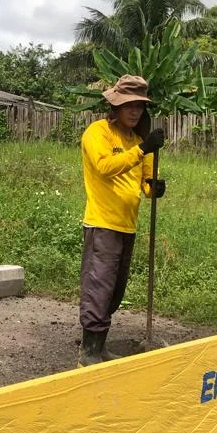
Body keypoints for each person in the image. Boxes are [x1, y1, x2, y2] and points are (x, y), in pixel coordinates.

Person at [78, 74, 166, 367]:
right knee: (98, 287)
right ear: (115, 106)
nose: (134, 111)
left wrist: (154, 188)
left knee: (115, 290)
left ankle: (100, 348)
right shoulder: (97, 133)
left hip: (128, 225)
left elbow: (144, 181)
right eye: (129, 105)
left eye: (139, 106)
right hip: (102, 223)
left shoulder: (140, 141)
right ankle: (88, 352)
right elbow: (104, 167)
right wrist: (141, 150)